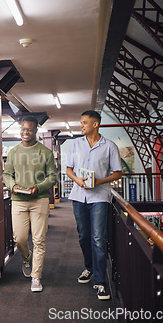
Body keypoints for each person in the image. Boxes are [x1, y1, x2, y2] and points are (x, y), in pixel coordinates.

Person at [66, 110, 122, 301]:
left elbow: (117, 173)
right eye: (80, 122)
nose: (81, 126)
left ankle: (100, 281)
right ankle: (89, 268)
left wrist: (99, 182)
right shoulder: (75, 144)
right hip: (78, 196)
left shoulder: (110, 146)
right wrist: (77, 180)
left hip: (100, 197)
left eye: (84, 123)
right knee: (84, 236)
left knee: (98, 238)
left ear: (95, 124)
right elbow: (68, 169)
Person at [3, 116, 57, 292]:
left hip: (39, 200)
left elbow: (52, 177)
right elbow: (7, 175)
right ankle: (27, 258)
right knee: (19, 238)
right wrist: (13, 186)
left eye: (29, 130)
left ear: (36, 131)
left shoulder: (45, 153)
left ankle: (36, 277)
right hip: (18, 200)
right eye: (23, 129)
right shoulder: (13, 152)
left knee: (39, 240)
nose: (25, 132)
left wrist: (39, 187)